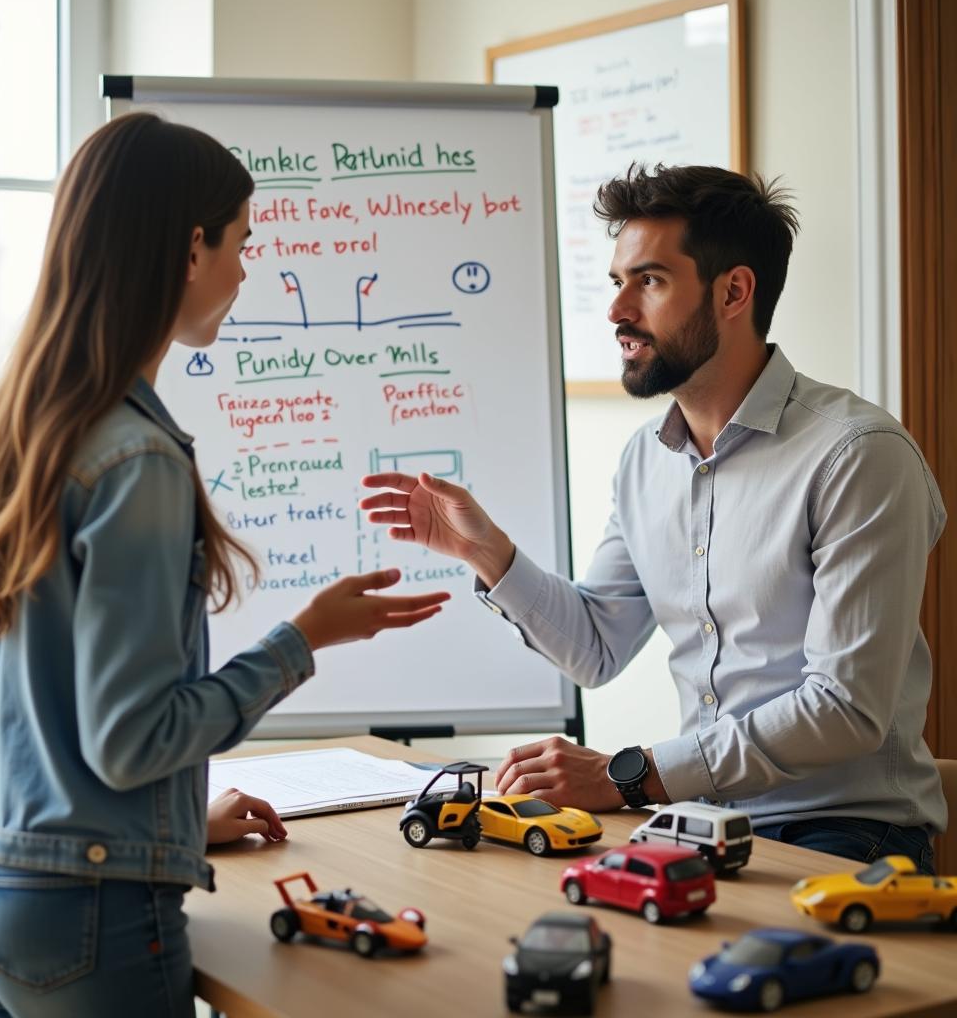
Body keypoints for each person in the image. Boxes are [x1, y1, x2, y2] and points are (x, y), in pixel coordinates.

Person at [0, 112, 450, 1018]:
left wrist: (175, 824)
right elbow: (132, 738)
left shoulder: (32, 422)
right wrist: (306, 639)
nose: (246, 272)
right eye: (241, 245)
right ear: (189, 248)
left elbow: (54, 717)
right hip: (83, 916)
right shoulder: (138, 460)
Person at [360, 163, 947, 874]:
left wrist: (626, 775)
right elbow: (595, 649)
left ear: (734, 291)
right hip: (702, 819)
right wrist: (490, 556)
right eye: (617, 283)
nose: (617, 311)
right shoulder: (648, 459)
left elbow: (845, 708)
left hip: (843, 832)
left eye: (651, 281)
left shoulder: (857, 455)